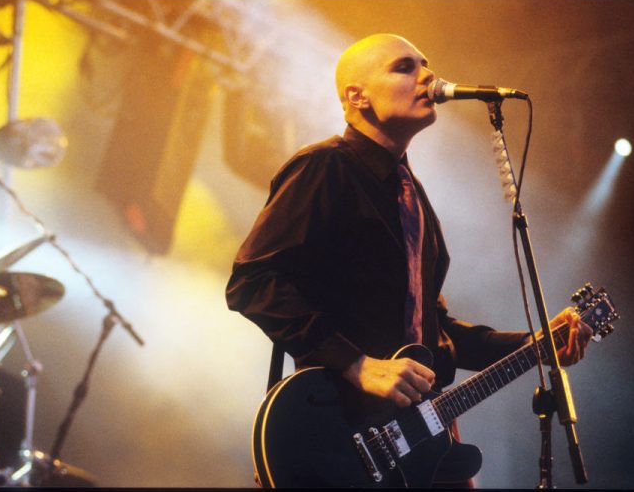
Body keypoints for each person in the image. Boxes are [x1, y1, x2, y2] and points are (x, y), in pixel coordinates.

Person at [226, 33, 593, 468]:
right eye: (405, 67)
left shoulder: (412, 196)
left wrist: (535, 344)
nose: (428, 75)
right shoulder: (325, 167)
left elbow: (434, 333)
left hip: (413, 441)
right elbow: (252, 282)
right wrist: (358, 365)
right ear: (357, 96)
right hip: (338, 434)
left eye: (425, 64)